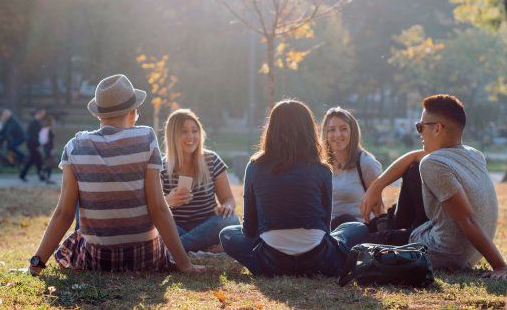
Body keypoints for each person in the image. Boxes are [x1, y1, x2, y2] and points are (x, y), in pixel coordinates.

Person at [28, 74, 205, 275]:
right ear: (133, 112)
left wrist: (36, 263)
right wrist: (185, 265)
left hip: (98, 261)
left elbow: (64, 213)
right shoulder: (146, 138)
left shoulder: (74, 146)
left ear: (99, 115)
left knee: (78, 228)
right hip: (145, 257)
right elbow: (158, 208)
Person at [361, 94, 507, 279]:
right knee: (413, 169)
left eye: (421, 127)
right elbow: (414, 157)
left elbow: (467, 219)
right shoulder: (473, 154)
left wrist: (500, 266)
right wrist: (377, 186)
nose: (419, 132)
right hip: (470, 253)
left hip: (444, 252)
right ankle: (389, 228)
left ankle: (387, 231)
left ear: (438, 128)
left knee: (358, 242)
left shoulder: (434, 164)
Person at [219, 99, 368, 277]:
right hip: (319, 260)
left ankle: (264, 263)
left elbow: (249, 230)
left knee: (227, 234)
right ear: (308, 130)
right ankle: (335, 260)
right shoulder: (321, 168)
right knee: (357, 228)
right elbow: (325, 227)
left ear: (272, 129)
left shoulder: (255, 166)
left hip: (271, 261)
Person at [161, 109, 239, 252]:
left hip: (208, 224)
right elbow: (155, 209)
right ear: (173, 135)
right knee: (156, 226)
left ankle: (177, 247)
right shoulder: (161, 167)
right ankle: (200, 246)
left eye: (194, 131)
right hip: (176, 226)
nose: (191, 136)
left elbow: (228, 199)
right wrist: (168, 201)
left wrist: (227, 207)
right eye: (184, 131)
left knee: (231, 220)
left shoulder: (212, 160)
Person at [319, 107, 382, 229]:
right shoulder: (321, 166)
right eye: (332, 130)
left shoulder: (366, 163)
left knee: (346, 220)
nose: (337, 134)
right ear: (326, 133)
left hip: (359, 231)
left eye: (343, 129)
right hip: (328, 231)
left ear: (352, 132)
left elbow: (379, 208)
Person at [19, 108, 46, 181]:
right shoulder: (34, 122)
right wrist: (37, 145)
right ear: (38, 113)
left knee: (37, 160)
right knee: (33, 160)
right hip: (33, 144)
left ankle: (40, 176)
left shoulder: (35, 122)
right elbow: (33, 135)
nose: (43, 115)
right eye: (43, 114)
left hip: (32, 143)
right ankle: (22, 174)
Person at [39, 116, 55, 184]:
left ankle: (43, 173)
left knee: (47, 163)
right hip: (49, 148)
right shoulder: (49, 130)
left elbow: (41, 140)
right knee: (49, 164)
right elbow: (50, 141)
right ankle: (47, 178)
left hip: (44, 147)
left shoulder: (43, 129)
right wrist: (52, 149)